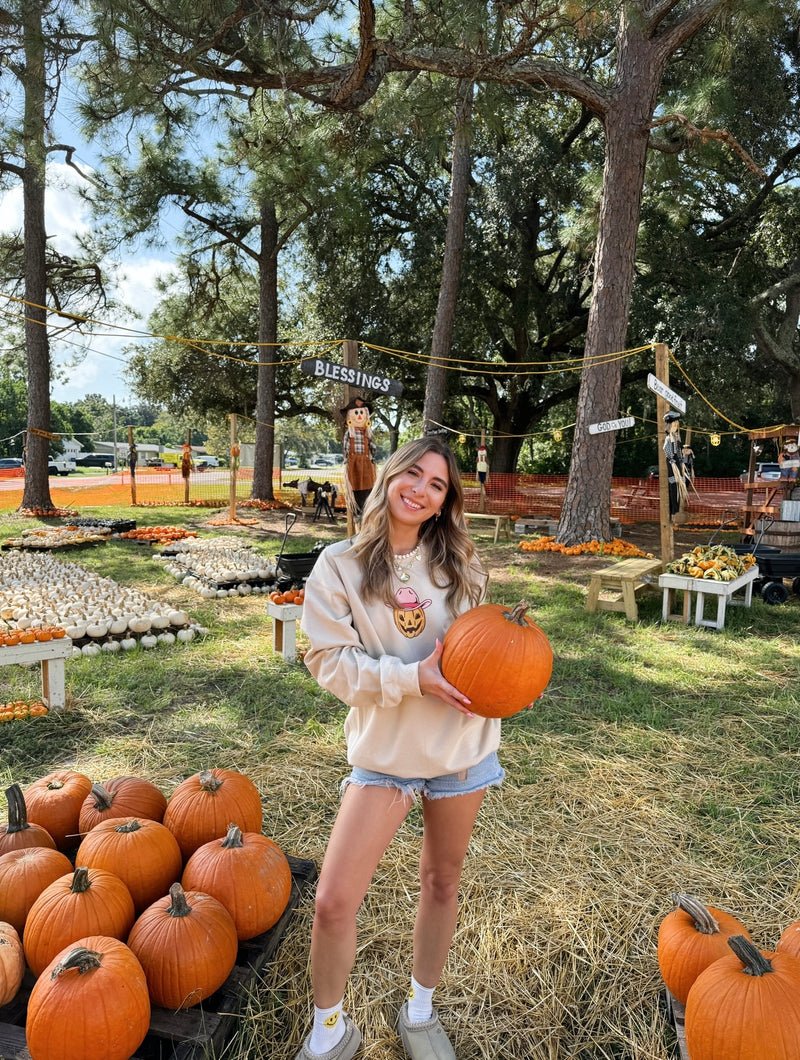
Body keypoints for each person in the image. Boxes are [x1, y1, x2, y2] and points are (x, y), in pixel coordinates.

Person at [297, 436, 503, 1060]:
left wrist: (510, 681)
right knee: (333, 901)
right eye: (412, 474)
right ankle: (329, 1029)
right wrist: (411, 678)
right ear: (389, 478)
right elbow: (327, 661)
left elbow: (486, 653)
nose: (420, 489)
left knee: (442, 881)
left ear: (445, 502)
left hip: (460, 749)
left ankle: (419, 1009)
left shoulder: (461, 567)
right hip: (385, 755)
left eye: (437, 485)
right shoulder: (340, 566)